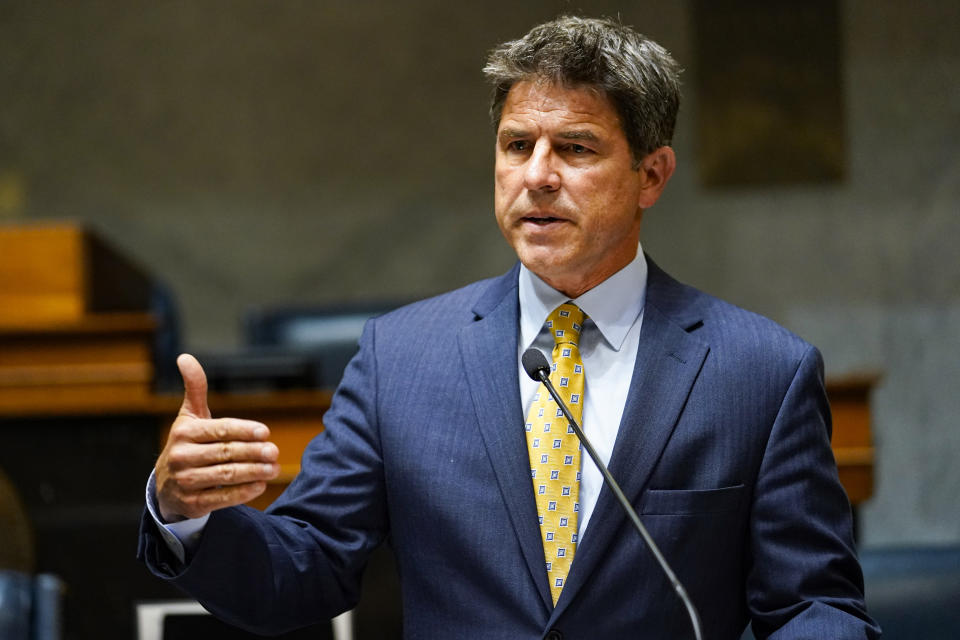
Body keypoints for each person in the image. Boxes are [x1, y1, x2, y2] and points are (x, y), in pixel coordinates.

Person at [139, 16, 880, 639]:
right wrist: (186, 514)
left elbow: (814, 603)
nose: (537, 175)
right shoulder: (401, 358)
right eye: (517, 144)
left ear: (651, 175)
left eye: (576, 148)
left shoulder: (760, 372)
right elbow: (302, 571)